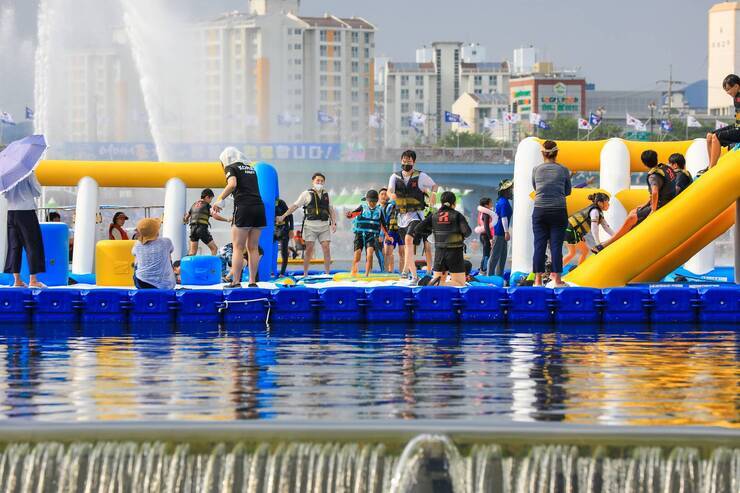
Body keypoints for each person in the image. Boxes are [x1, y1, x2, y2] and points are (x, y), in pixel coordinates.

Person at [593, 150, 676, 252]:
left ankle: (607, 244)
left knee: (632, 218)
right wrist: (646, 204)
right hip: (667, 200)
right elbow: (664, 188)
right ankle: (618, 239)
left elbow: (655, 192)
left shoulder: (653, 176)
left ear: (644, 164)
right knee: (634, 211)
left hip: (662, 204)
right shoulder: (666, 167)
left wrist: (653, 210)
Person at [211, 147, 266, 288]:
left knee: (238, 247)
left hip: (244, 207)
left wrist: (220, 198)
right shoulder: (250, 169)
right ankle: (252, 282)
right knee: (253, 247)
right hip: (259, 208)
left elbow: (233, 184)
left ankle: (235, 282)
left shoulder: (231, 167)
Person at [387, 149, 438, 284]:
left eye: (409, 161)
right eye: (404, 161)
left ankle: (414, 275)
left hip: (416, 215)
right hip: (401, 217)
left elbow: (434, 185)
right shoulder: (394, 177)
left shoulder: (421, 176)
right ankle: (409, 273)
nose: (406, 163)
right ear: (401, 161)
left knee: (409, 240)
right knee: (406, 246)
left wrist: (433, 194)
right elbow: (389, 190)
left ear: (414, 162)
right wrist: (391, 195)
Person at [277, 173, 337, 276]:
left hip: (324, 225)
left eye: (322, 181)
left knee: (326, 248)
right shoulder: (306, 194)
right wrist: (283, 216)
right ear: (313, 181)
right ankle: (305, 273)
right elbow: (295, 206)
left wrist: (334, 223)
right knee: (309, 249)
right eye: (318, 180)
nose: (320, 182)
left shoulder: (326, 194)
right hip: (310, 225)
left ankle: (327, 273)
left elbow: (331, 209)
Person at [531, 140, 571, 287]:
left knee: (539, 245)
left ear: (543, 154)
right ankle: (558, 280)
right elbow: (568, 191)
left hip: (540, 210)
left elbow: (536, 188)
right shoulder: (563, 170)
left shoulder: (536, 169)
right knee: (556, 245)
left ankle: (537, 280)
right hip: (559, 210)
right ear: (557, 153)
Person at [413, 191, 471, 287]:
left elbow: (418, 229)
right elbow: (467, 232)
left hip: (439, 254)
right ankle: (437, 284)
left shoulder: (434, 215)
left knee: (438, 282)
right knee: (460, 284)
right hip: (455, 253)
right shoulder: (457, 215)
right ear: (454, 203)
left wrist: (431, 231)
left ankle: (435, 284)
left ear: (442, 202)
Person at [3, 173, 46, 288]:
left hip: (11, 212)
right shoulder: (28, 171)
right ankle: (33, 280)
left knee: (14, 246)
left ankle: (17, 280)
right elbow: (38, 191)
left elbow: (4, 193)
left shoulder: (6, 172)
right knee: (33, 245)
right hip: (26, 211)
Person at [562, 192, 614, 266]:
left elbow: (606, 227)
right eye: (607, 202)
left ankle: (554, 271)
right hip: (570, 229)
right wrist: (598, 244)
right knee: (584, 251)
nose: (608, 204)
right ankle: (576, 270)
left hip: (568, 228)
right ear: (600, 203)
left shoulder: (598, 212)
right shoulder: (595, 211)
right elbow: (594, 229)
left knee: (573, 253)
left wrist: (616, 236)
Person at [346, 189, 386, 276]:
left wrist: (387, 236)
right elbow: (353, 214)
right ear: (367, 200)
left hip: (371, 236)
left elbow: (383, 224)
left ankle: (367, 274)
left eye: (374, 201)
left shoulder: (379, 210)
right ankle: (353, 271)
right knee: (357, 255)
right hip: (359, 235)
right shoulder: (362, 207)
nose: (372, 203)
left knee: (370, 253)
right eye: (371, 201)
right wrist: (349, 215)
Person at [184, 188, 231, 256]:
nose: (211, 201)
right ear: (207, 197)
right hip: (202, 229)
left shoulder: (194, 205)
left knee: (192, 252)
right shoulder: (207, 205)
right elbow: (215, 216)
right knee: (214, 249)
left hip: (193, 229)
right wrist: (227, 220)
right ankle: (212, 266)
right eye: (211, 199)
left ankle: (184, 266)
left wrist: (185, 220)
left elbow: (186, 218)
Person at [707, 74, 740, 169]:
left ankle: (712, 168)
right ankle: (710, 164)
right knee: (709, 136)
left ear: (737, 86)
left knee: (716, 137)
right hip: (737, 126)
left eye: (729, 89)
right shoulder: (736, 97)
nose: (727, 92)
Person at [132, 218, 176, 290]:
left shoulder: (137, 244)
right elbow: (170, 251)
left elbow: (134, 254)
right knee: (167, 254)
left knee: (137, 258)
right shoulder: (166, 242)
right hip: (163, 286)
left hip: (141, 282)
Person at [488, 179, 513, 278]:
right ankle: (489, 277)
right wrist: (507, 232)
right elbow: (504, 218)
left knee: (502, 256)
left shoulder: (503, 201)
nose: (511, 191)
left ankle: (499, 277)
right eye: (510, 189)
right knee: (495, 256)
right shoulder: (503, 202)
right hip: (500, 232)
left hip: (501, 233)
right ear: (505, 191)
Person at [379, 188, 402, 272]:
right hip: (388, 231)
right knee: (387, 253)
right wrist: (382, 234)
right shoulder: (381, 207)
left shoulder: (391, 205)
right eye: (382, 194)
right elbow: (383, 222)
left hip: (399, 231)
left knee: (400, 253)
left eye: (386, 194)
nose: (384, 196)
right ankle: (387, 271)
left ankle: (400, 273)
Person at [475, 197, 496, 274]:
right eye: (490, 202)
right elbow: (486, 226)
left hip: (483, 235)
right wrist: (490, 238)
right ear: (486, 205)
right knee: (486, 254)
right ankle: (483, 270)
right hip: (486, 236)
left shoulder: (481, 213)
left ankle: (483, 269)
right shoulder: (486, 213)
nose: (492, 204)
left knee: (486, 253)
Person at [274, 197, 294, 277]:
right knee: (268, 250)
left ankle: (282, 273)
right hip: (273, 230)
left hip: (283, 229)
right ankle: (270, 270)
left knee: (284, 252)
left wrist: (291, 229)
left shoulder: (280, 202)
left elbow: (290, 215)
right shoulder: (266, 202)